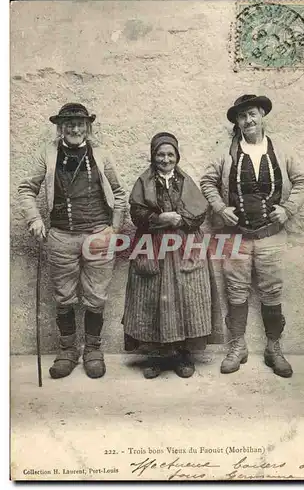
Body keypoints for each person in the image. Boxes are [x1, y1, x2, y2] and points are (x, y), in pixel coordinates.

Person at [200, 95, 304, 378]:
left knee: (271, 291)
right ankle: (237, 347)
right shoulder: (226, 152)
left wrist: (287, 209)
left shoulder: (281, 150)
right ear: (237, 122)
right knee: (235, 291)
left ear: (262, 115)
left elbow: (303, 181)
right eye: (241, 117)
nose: (247, 121)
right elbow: (207, 181)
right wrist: (220, 207)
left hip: (270, 236)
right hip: (235, 237)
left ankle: (274, 348)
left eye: (251, 114)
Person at [18, 103, 126, 379]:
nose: (75, 129)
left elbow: (119, 193)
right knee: (63, 296)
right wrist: (35, 220)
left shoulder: (100, 155)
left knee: (96, 296)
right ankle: (67, 351)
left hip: (98, 235)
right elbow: (26, 189)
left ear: (88, 127)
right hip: (61, 237)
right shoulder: (48, 155)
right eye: (69, 124)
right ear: (60, 128)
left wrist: (114, 228)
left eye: (80, 124)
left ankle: (92, 350)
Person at [122, 132, 222, 379]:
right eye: (160, 154)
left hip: (185, 244)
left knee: (188, 298)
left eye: (170, 154)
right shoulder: (143, 182)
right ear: (153, 157)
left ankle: (182, 355)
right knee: (151, 299)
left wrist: (180, 219)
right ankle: (156, 356)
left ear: (177, 156)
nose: (165, 159)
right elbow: (136, 212)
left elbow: (199, 212)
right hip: (153, 244)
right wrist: (158, 219)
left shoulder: (186, 181)